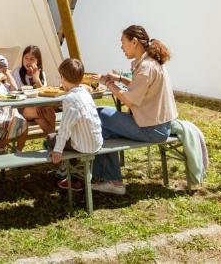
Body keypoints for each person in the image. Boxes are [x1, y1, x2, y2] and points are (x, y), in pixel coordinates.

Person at [92, 25, 178, 196]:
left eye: (123, 42)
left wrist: (107, 82)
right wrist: (120, 79)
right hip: (159, 125)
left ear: (134, 41)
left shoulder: (146, 67)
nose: (121, 47)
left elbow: (129, 100)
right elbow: (140, 87)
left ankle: (110, 180)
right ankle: (109, 180)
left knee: (99, 114)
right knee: (105, 129)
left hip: (152, 129)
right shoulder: (151, 62)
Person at [47, 57, 103, 190]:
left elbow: (65, 129)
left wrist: (57, 151)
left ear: (62, 77)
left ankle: (69, 172)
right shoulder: (85, 93)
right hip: (97, 142)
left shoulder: (70, 99)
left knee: (50, 138)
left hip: (83, 146)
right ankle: (75, 173)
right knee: (69, 135)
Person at [13, 45, 57, 135]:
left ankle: (52, 140)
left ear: (38, 61)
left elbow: (44, 94)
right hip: (22, 107)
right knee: (48, 111)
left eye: (32, 59)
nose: (28, 61)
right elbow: (18, 93)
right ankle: (55, 141)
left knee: (40, 118)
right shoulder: (17, 72)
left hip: (37, 108)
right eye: (26, 58)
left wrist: (36, 79)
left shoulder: (42, 74)